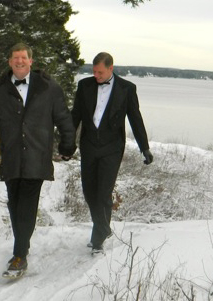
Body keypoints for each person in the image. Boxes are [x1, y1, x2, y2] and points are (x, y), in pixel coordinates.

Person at [0, 43, 76, 278]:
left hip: (37, 156)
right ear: (9, 62)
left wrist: (67, 146)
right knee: (13, 203)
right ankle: (23, 247)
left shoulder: (49, 88)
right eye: (15, 58)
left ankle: (19, 255)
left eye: (23, 57)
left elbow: (64, 118)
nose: (19, 61)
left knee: (27, 205)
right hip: (11, 156)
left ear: (31, 61)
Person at [71, 52, 153, 255]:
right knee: (89, 193)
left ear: (111, 69)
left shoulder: (127, 89)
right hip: (89, 146)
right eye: (94, 71)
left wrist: (145, 147)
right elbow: (75, 116)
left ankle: (98, 236)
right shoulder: (85, 86)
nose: (96, 75)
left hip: (112, 148)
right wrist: (65, 142)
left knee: (103, 193)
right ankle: (104, 228)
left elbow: (135, 119)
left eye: (100, 72)